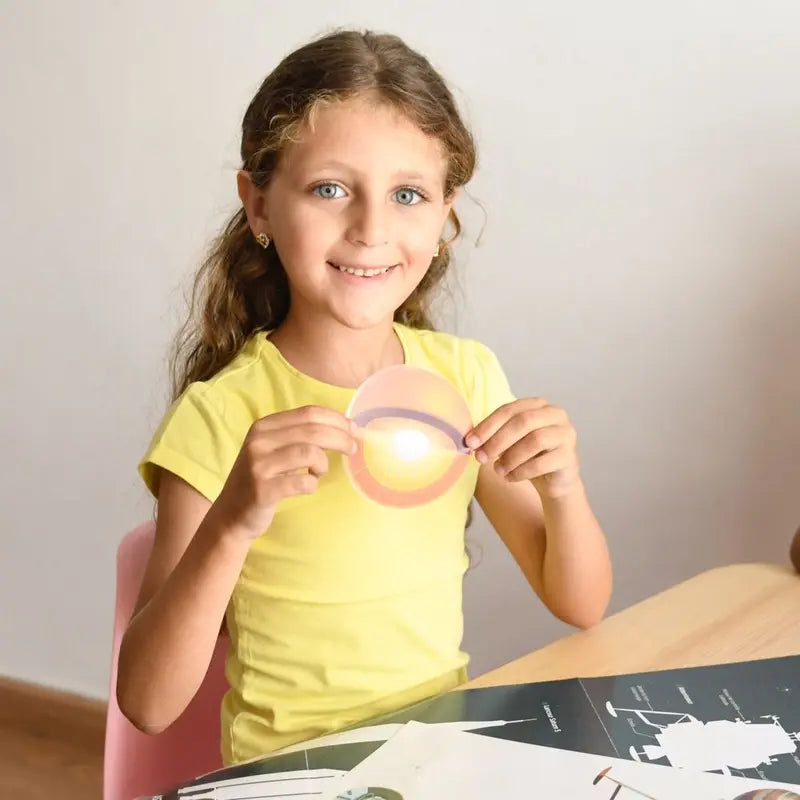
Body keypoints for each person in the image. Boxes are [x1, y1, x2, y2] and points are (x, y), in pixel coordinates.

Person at [116, 28, 612, 766]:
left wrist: (564, 486)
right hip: (289, 775)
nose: (372, 228)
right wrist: (233, 521)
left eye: (407, 194)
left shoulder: (466, 380)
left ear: (445, 216)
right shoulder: (221, 416)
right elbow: (148, 705)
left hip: (437, 763)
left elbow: (581, 603)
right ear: (258, 205)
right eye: (330, 189)